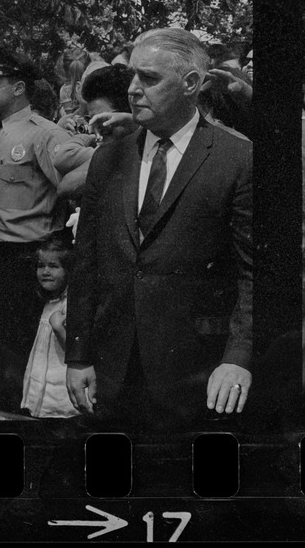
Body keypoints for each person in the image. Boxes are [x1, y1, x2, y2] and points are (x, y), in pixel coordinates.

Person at [65, 28, 252, 428]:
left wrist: (237, 360)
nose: (133, 89)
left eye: (149, 78)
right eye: (133, 75)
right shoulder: (109, 158)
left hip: (196, 376)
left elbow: (251, 275)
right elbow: (86, 262)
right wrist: (78, 355)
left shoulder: (236, 160)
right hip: (113, 373)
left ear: (190, 84)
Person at [0, 48, 70, 359]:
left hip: (28, 258)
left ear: (18, 88)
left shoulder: (44, 135)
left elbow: (70, 190)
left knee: (22, 350)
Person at [54, 65, 135, 201]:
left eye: (103, 120)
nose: (96, 130)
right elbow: (66, 187)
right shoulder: (107, 150)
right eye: (90, 120)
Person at [20, 236, 79, 418]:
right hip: (44, 379)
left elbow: (74, 350)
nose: (45, 271)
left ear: (68, 270)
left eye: (53, 266)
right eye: (41, 266)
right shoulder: (50, 301)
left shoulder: (69, 304)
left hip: (61, 383)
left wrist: (58, 326)